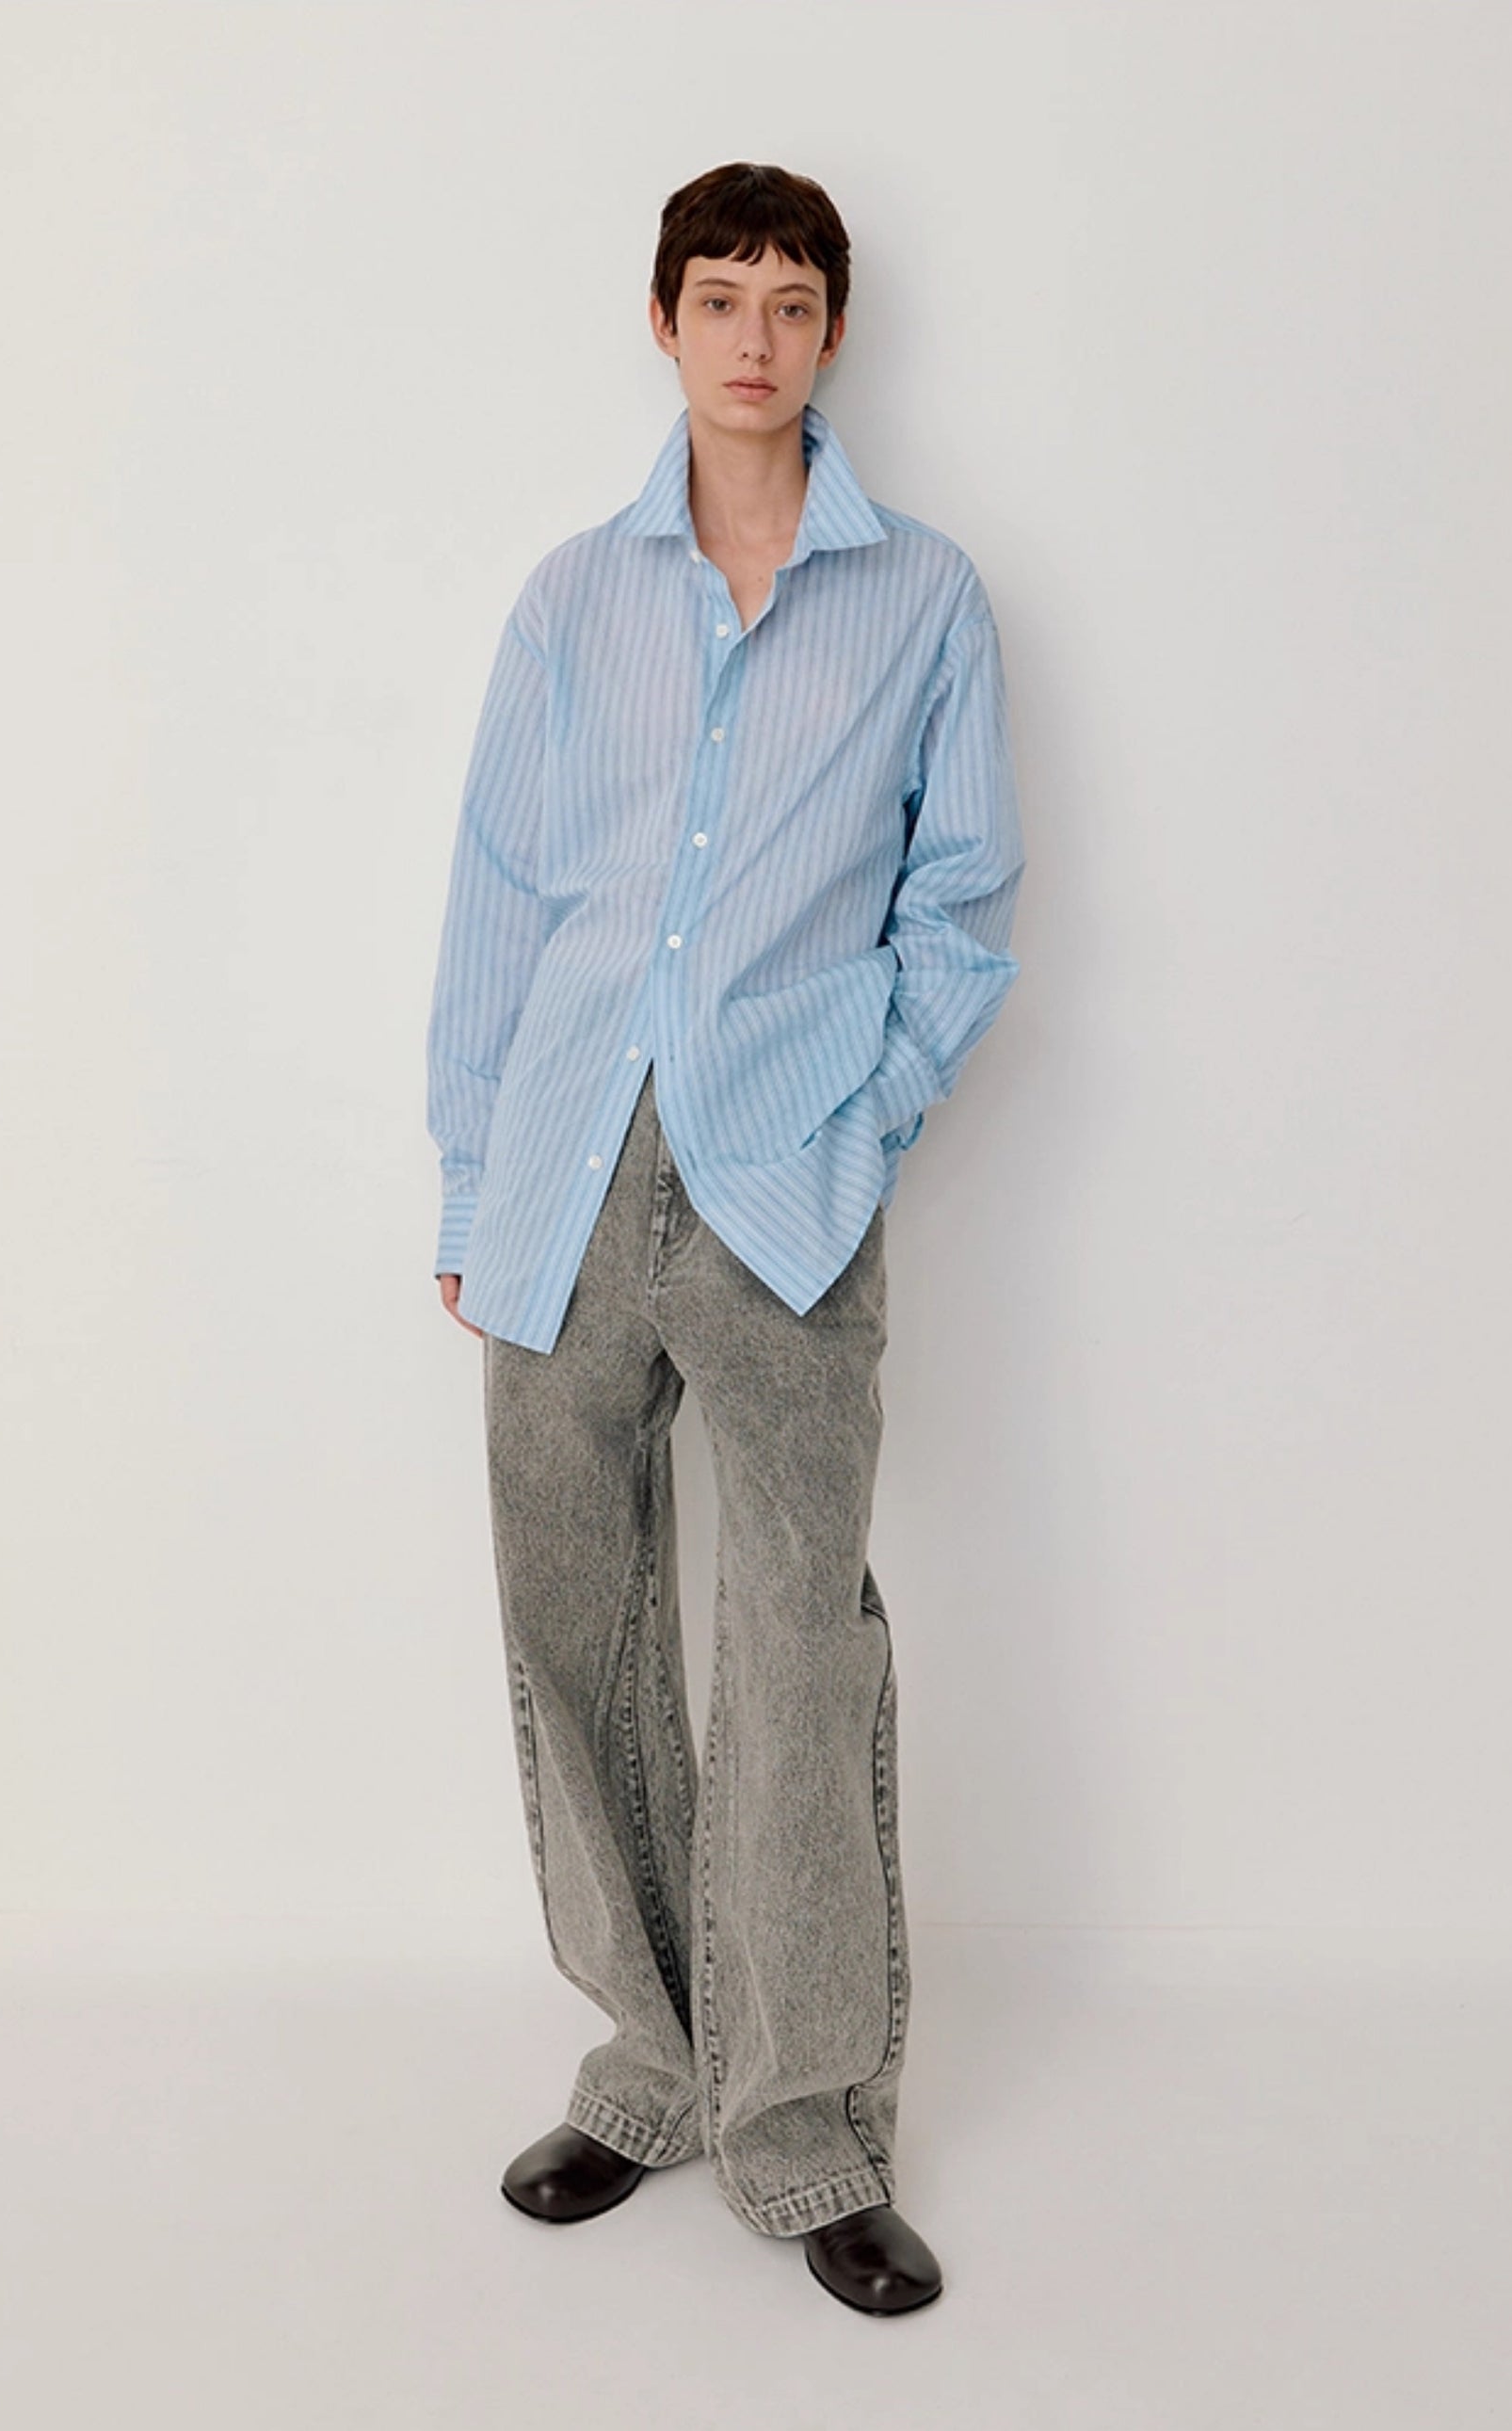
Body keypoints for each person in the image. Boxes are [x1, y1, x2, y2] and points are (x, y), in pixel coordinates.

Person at [425, 160, 1023, 2315]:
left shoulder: (924, 598)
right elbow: (502, 894)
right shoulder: (571, 598)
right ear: (663, 324)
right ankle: (649, 2066)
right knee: (571, 1623)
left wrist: (854, 1123)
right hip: (563, 1169)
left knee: (792, 1644)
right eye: (718, 298)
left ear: (831, 333)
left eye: (788, 301)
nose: (752, 337)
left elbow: (959, 906)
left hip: (783, 1182)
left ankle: (803, 2128)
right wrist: (468, 1182)